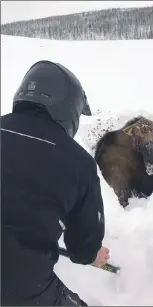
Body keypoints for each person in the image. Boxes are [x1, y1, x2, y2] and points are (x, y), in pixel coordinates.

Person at [1, 60, 110, 306]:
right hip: (18, 289)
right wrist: (93, 254)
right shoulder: (79, 165)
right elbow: (82, 249)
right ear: (68, 107)